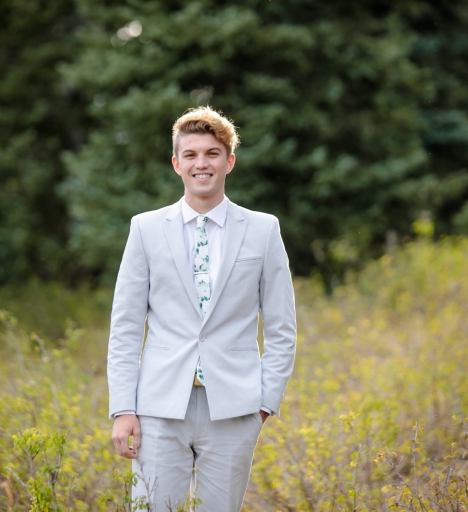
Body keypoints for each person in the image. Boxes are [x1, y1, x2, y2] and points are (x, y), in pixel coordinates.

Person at [107, 106, 297, 511]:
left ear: (229, 161)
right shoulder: (145, 228)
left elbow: (282, 327)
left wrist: (263, 404)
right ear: (176, 163)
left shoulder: (264, 230)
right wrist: (123, 409)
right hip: (158, 407)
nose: (201, 163)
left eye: (212, 153)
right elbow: (125, 326)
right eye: (190, 155)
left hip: (234, 407)